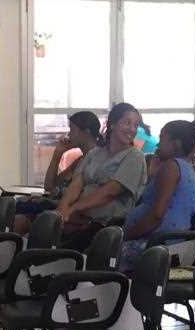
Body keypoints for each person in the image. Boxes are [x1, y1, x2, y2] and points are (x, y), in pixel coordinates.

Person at [49, 103, 148, 246]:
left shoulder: (135, 156)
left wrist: (73, 209)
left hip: (106, 226)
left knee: (58, 253)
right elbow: (76, 184)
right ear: (112, 124)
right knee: (43, 229)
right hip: (78, 217)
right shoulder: (95, 153)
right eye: (127, 123)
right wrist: (61, 211)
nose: (132, 129)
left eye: (136, 125)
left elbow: (109, 192)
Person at [121, 121, 195, 270]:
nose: (158, 144)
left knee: (106, 253)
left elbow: (156, 215)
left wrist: (125, 235)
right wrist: (153, 175)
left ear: (176, 144)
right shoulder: (186, 166)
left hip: (162, 245)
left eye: (162, 139)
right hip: (172, 242)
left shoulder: (171, 167)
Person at [12, 111, 101, 227]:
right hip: (57, 208)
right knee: (14, 206)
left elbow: (80, 200)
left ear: (86, 132)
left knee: (18, 219)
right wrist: (57, 154)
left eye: (72, 130)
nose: (69, 135)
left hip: (71, 216)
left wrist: (51, 202)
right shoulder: (80, 160)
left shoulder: (97, 161)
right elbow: (49, 186)